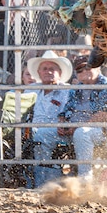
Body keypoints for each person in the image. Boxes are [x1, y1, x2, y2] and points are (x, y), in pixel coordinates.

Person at [59, 55, 107, 181]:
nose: (84, 72)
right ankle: (43, 179)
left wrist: (79, 126)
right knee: (42, 134)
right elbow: (65, 112)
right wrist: (62, 125)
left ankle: (85, 178)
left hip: (104, 132)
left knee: (82, 133)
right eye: (79, 70)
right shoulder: (76, 89)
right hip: (74, 129)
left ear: (98, 68)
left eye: (88, 67)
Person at [27, 50, 73, 187]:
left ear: (60, 73)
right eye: (45, 69)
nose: (48, 72)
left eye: (52, 69)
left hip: (58, 131)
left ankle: (44, 182)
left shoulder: (67, 90)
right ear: (39, 73)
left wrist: (63, 123)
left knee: (41, 135)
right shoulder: (30, 89)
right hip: (30, 130)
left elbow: (69, 112)